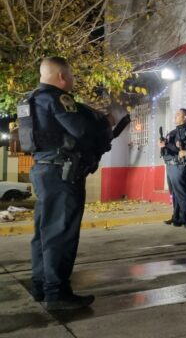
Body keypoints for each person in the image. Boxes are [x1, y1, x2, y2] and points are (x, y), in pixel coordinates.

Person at [27, 57, 112, 309]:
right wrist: (103, 124)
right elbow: (81, 131)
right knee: (60, 233)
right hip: (62, 172)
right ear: (62, 77)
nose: (73, 80)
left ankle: (41, 286)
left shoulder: (30, 100)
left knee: (44, 231)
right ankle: (57, 293)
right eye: (71, 75)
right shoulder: (58, 99)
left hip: (43, 168)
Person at [161, 109, 186, 227]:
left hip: (179, 164)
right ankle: (176, 216)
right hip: (169, 164)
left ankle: (183, 217)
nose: (175, 116)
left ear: (185, 117)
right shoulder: (172, 132)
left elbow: (183, 150)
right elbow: (167, 148)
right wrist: (163, 145)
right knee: (173, 192)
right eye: (175, 114)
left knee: (181, 191)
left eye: (178, 115)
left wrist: (167, 144)